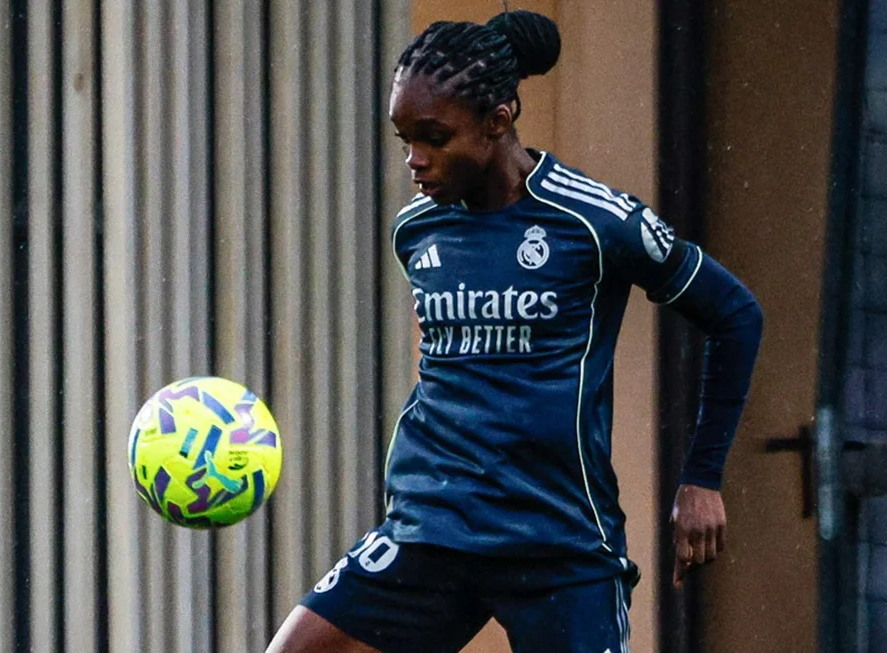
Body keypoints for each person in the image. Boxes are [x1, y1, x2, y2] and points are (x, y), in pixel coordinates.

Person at [266, 10, 763, 653]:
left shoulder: (595, 222)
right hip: (431, 531)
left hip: (556, 543)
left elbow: (735, 314)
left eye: (435, 137)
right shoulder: (417, 229)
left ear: (497, 122)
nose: (415, 159)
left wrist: (702, 478)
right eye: (404, 138)